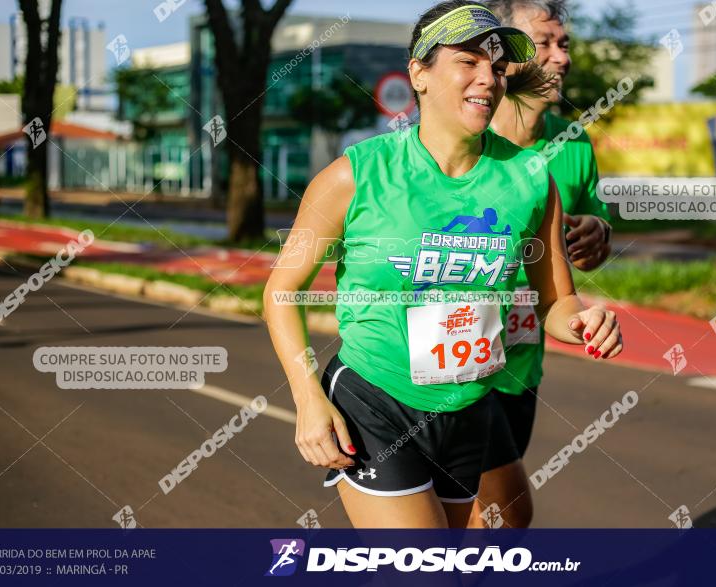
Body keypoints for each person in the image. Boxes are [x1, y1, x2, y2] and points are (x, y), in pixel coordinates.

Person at [264, 0, 623, 529]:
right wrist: (308, 397)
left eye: (498, 67)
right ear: (420, 73)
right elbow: (281, 290)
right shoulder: (354, 176)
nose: (488, 79)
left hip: (470, 409)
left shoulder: (530, 178)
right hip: (377, 400)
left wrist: (583, 320)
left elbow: (555, 302)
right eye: (469, 61)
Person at [469, 0, 614, 528]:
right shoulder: (465, 141)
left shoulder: (574, 144)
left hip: (523, 363)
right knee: (507, 517)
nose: (561, 58)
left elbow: (590, 229)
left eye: (565, 43)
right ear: (502, 54)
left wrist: (599, 231)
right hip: (454, 364)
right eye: (544, 43)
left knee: (477, 517)